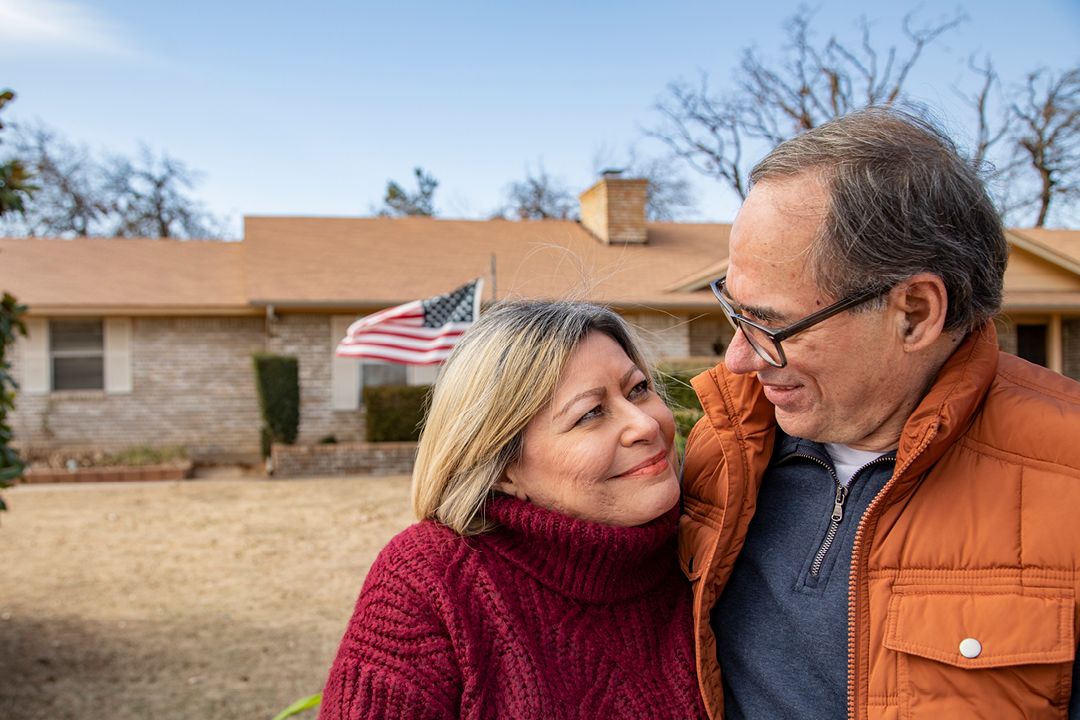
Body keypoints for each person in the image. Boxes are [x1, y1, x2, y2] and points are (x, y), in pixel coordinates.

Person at [681, 106, 1080, 720]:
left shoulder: (1069, 479)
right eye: (735, 313)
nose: (738, 361)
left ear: (915, 312)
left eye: (771, 324)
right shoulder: (724, 443)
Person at [320, 300, 707, 719]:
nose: (646, 425)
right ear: (503, 469)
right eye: (590, 413)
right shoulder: (431, 580)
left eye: (638, 389)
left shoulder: (720, 540)